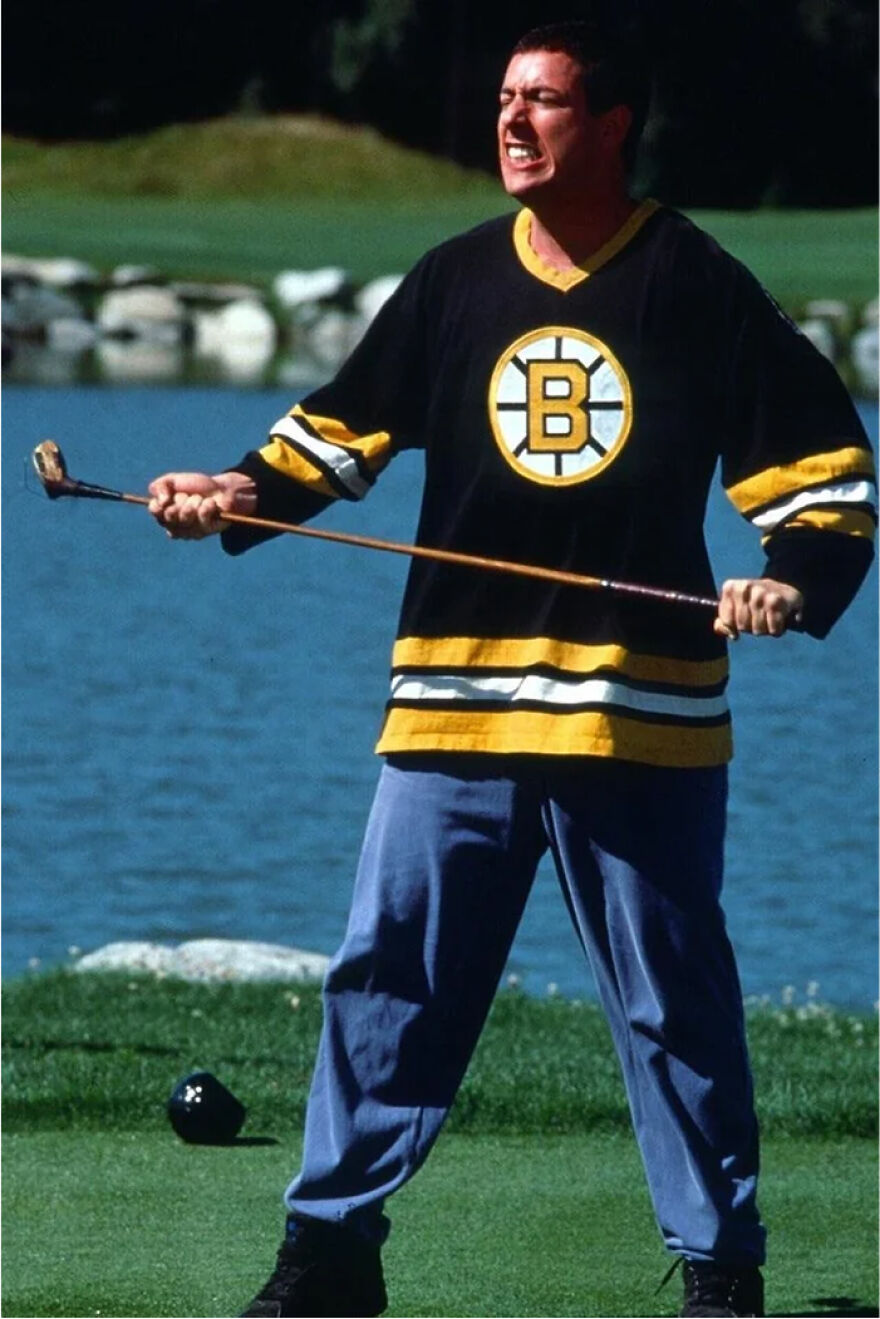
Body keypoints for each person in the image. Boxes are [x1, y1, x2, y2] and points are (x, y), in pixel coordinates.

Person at [148, 16, 876, 1319]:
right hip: (453, 709)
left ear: (611, 126)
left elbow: (822, 477)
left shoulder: (695, 283)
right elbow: (335, 436)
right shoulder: (451, 282)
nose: (512, 121)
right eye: (503, 99)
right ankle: (330, 1254)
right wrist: (235, 491)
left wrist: (794, 576)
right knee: (388, 979)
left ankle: (722, 1271)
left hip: (636, 720)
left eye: (543, 101)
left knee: (676, 1009)